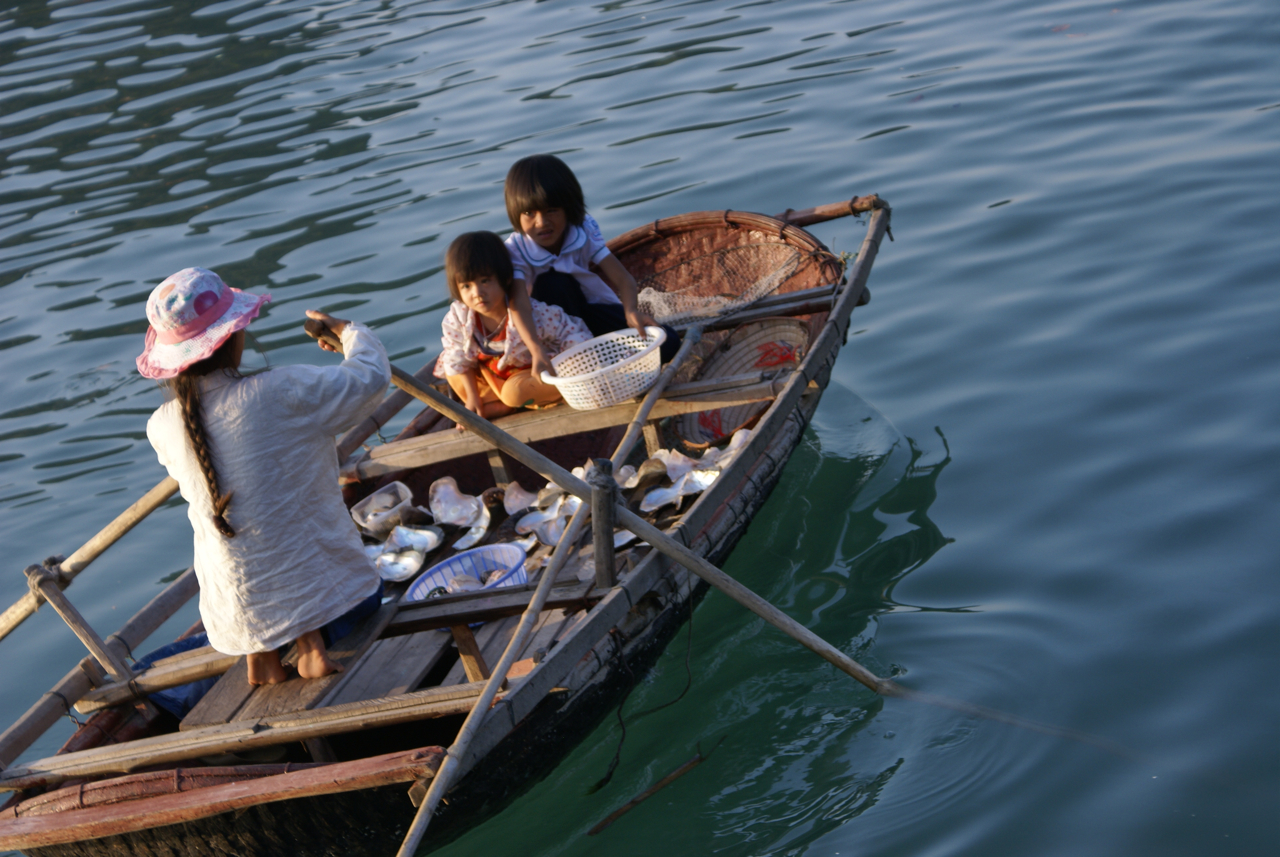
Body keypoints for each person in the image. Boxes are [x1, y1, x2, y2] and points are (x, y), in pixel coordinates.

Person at [138, 267, 390, 686]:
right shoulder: (280, 389)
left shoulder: (161, 425)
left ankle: (263, 657)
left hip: (232, 617)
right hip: (328, 597)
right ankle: (311, 647)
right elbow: (370, 378)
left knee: (255, 539)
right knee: (343, 579)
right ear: (234, 337)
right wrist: (349, 332)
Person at [501, 154, 682, 369]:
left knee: (667, 341)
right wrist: (536, 349)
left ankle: (603, 356)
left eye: (552, 210)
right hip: (545, 332)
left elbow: (622, 278)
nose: (542, 222)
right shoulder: (515, 250)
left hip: (586, 311)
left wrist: (631, 310)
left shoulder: (582, 229)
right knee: (554, 283)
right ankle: (588, 359)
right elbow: (519, 305)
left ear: (568, 208)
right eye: (529, 213)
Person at [435, 231, 592, 421]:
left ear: (505, 279)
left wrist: (572, 370)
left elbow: (572, 333)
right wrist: (472, 398)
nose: (477, 293)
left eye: (485, 281)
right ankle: (494, 405)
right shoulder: (459, 317)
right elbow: (458, 356)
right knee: (452, 369)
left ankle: (525, 400)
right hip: (495, 377)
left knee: (513, 393)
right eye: (466, 286)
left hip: (531, 374)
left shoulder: (528, 314)